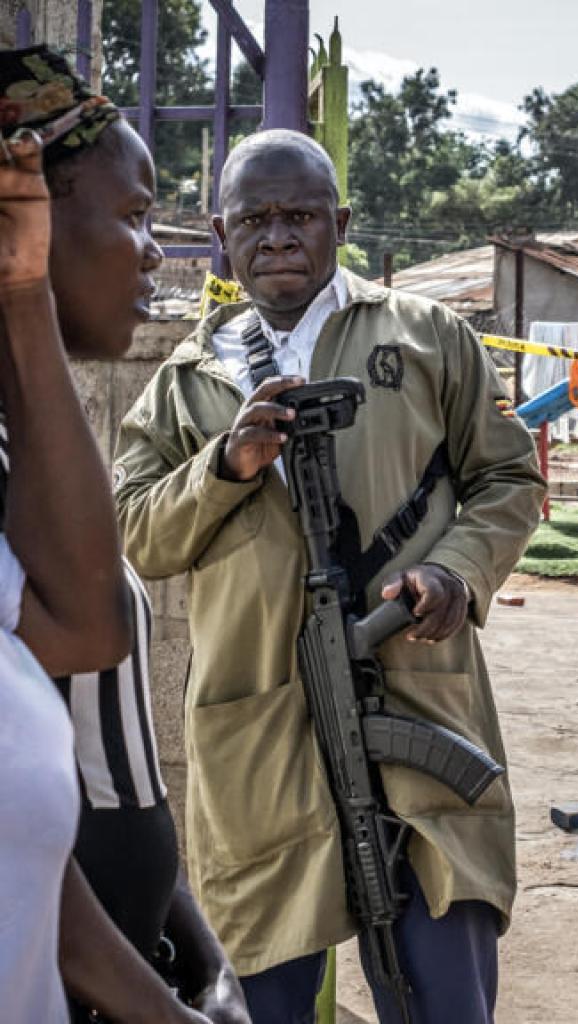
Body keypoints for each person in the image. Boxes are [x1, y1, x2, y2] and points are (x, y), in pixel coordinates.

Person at [113, 129, 547, 1023]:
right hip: (259, 721)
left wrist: (457, 575)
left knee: (441, 991)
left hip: (418, 698)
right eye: (254, 219)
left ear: (339, 223)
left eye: (299, 215)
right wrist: (222, 470)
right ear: (220, 232)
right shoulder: (186, 379)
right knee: (262, 996)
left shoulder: (428, 335)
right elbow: (133, 534)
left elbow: (509, 478)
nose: (277, 236)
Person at [0, 45, 250, 1023]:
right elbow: (88, 627)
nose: (159, 253)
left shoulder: (29, 444)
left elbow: (100, 757)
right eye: (138, 217)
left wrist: (185, 935)